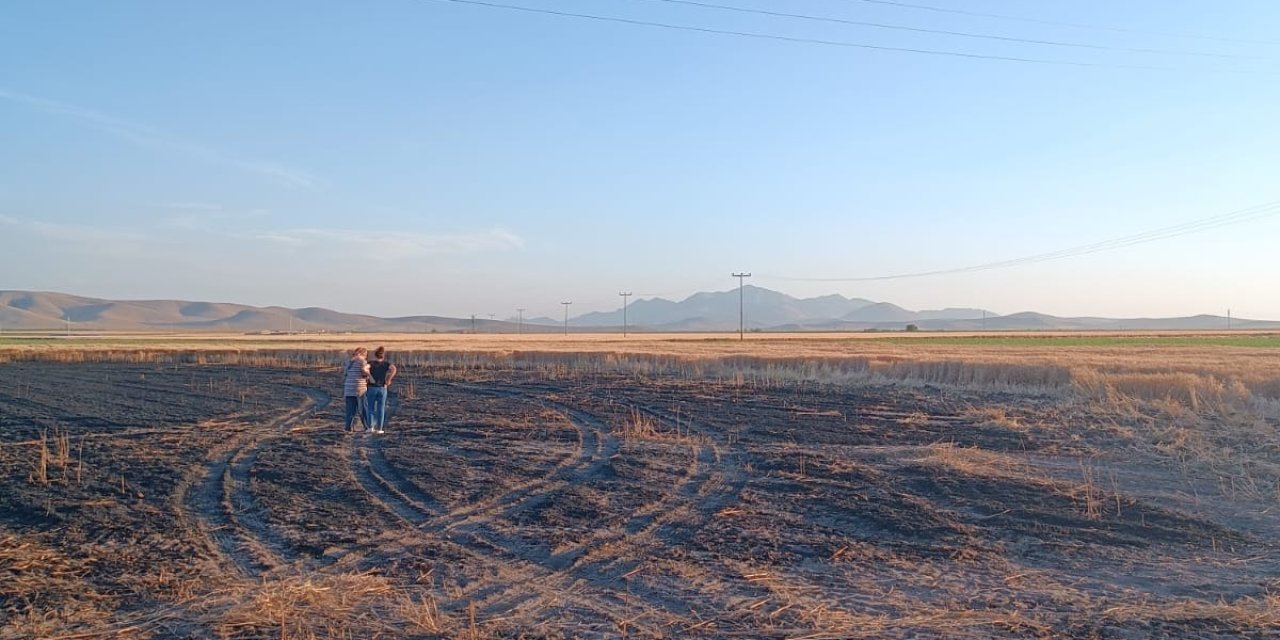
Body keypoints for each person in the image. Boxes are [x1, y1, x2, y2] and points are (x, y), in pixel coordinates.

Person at [365, 346, 397, 434]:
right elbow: (394, 369)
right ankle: (380, 428)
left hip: (372, 387)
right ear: (383, 356)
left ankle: (370, 427)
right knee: (381, 408)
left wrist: (369, 376)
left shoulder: (371, 363)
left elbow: (365, 368)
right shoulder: (386, 364)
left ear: (375, 355)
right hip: (382, 388)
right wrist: (389, 379)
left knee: (370, 408)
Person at [342, 347, 371, 432]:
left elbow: (345, 373)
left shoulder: (349, 362)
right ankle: (367, 426)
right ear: (363, 354)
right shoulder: (363, 362)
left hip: (348, 388)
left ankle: (348, 427)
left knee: (350, 410)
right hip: (360, 388)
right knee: (363, 409)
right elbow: (364, 374)